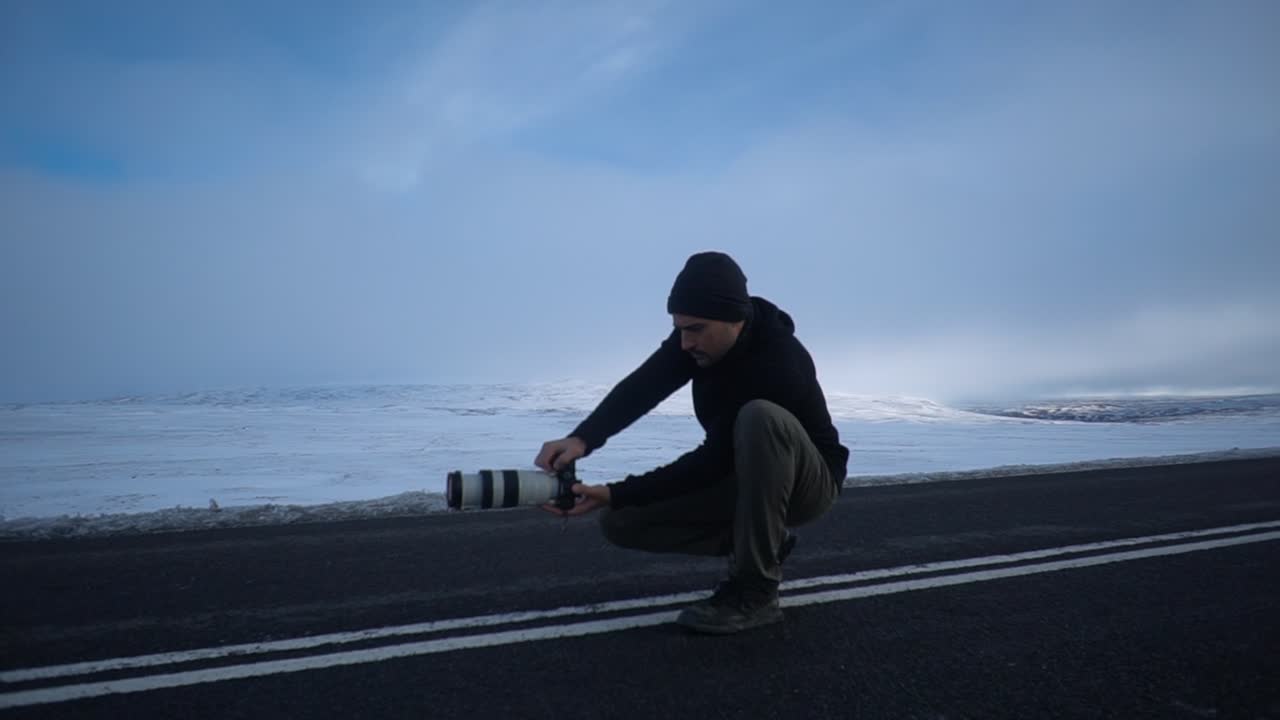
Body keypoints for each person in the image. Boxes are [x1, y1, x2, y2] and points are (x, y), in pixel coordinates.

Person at [535, 251, 849, 634]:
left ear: (736, 321)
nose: (684, 342)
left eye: (695, 329)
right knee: (621, 522)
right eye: (679, 328)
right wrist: (582, 439)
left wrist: (616, 489)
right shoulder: (702, 338)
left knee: (759, 416)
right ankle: (764, 541)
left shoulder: (778, 361)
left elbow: (713, 461)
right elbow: (644, 385)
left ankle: (756, 591)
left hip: (808, 484)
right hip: (742, 475)